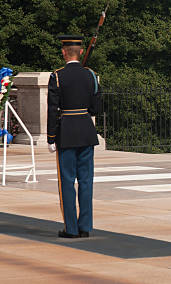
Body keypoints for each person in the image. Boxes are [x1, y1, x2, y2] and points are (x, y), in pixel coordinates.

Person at [47, 35, 102, 238]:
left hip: (67, 133)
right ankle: (85, 227)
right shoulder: (91, 75)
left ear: (63, 52)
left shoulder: (58, 76)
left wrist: (51, 137)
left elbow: (53, 109)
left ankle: (71, 229)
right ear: (80, 52)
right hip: (86, 132)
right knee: (86, 181)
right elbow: (95, 109)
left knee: (67, 181)